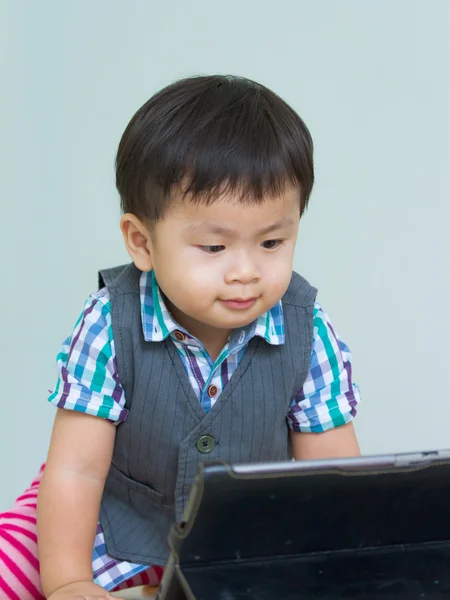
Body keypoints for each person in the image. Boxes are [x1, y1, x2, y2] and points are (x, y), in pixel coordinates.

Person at [0, 75, 361, 600]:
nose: (246, 271)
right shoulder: (109, 322)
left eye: (271, 241)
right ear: (142, 242)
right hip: (104, 512)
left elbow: (331, 480)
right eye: (214, 247)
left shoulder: (308, 332)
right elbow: (75, 471)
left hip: (240, 534)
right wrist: (68, 581)